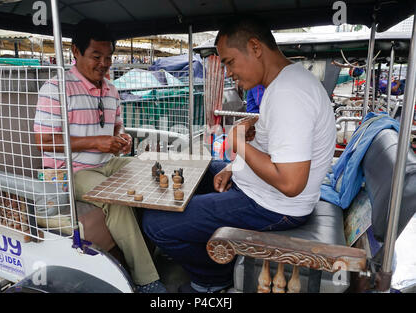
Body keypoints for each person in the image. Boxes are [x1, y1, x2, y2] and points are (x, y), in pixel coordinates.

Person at [142, 16, 336, 293]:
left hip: (274, 207)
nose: (229, 73)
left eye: (230, 62)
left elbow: (291, 184)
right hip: (261, 191)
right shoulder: (286, 83)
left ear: (255, 47)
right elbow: (275, 146)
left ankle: (213, 278)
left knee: (156, 223)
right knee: (195, 170)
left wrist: (237, 142)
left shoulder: (288, 93)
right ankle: (198, 238)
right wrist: (235, 166)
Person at [33, 19, 166, 293]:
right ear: (76, 52)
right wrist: (96, 141)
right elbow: (44, 141)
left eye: (108, 57)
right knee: (115, 198)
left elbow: (117, 125)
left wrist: (122, 136)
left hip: (107, 162)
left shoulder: (112, 89)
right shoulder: (55, 89)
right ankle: (147, 281)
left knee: (152, 172)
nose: (104, 64)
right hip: (71, 172)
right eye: (96, 56)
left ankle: (165, 243)